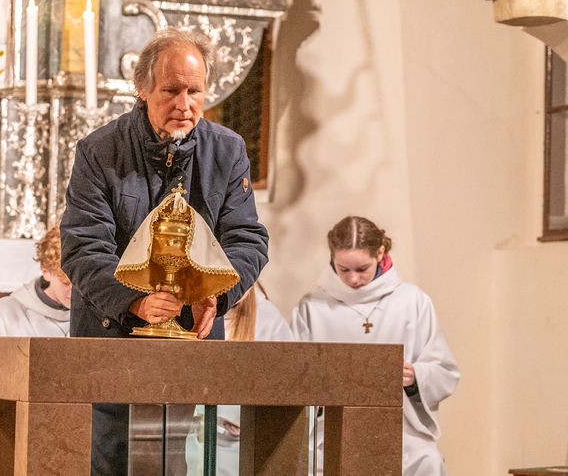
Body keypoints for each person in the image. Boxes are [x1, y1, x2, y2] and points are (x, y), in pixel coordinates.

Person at [60, 27, 269, 475]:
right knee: (110, 460)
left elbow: (247, 239)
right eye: (171, 90)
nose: (185, 104)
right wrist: (134, 300)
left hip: (189, 341)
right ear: (142, 89)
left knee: (172, 462)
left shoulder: (227, 150)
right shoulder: (99, 151)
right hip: (111, 338)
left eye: (195, 91)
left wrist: (216, 293)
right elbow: (82, 246)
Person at [292, 216, 459, 476]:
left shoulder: (413, 301)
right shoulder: (312, 307)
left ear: (380, 254)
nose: (353, 278)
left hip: (401, 429)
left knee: (427, 461)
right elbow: (294, 374)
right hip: (331, 430)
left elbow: (445, 371)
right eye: (343, 269)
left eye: (362, 268)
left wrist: (415, 376)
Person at [186, 282, 294, 476]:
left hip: (239, 449)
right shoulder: (187, 311)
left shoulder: (267, 318)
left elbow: (288, 387)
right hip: (191, 439)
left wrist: (246, 420)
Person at [0, 226, 70, 337]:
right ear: (46, 272)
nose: (76, 292)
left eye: (81, 283)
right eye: (66, 283)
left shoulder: (90, 312)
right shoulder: (4, 313)